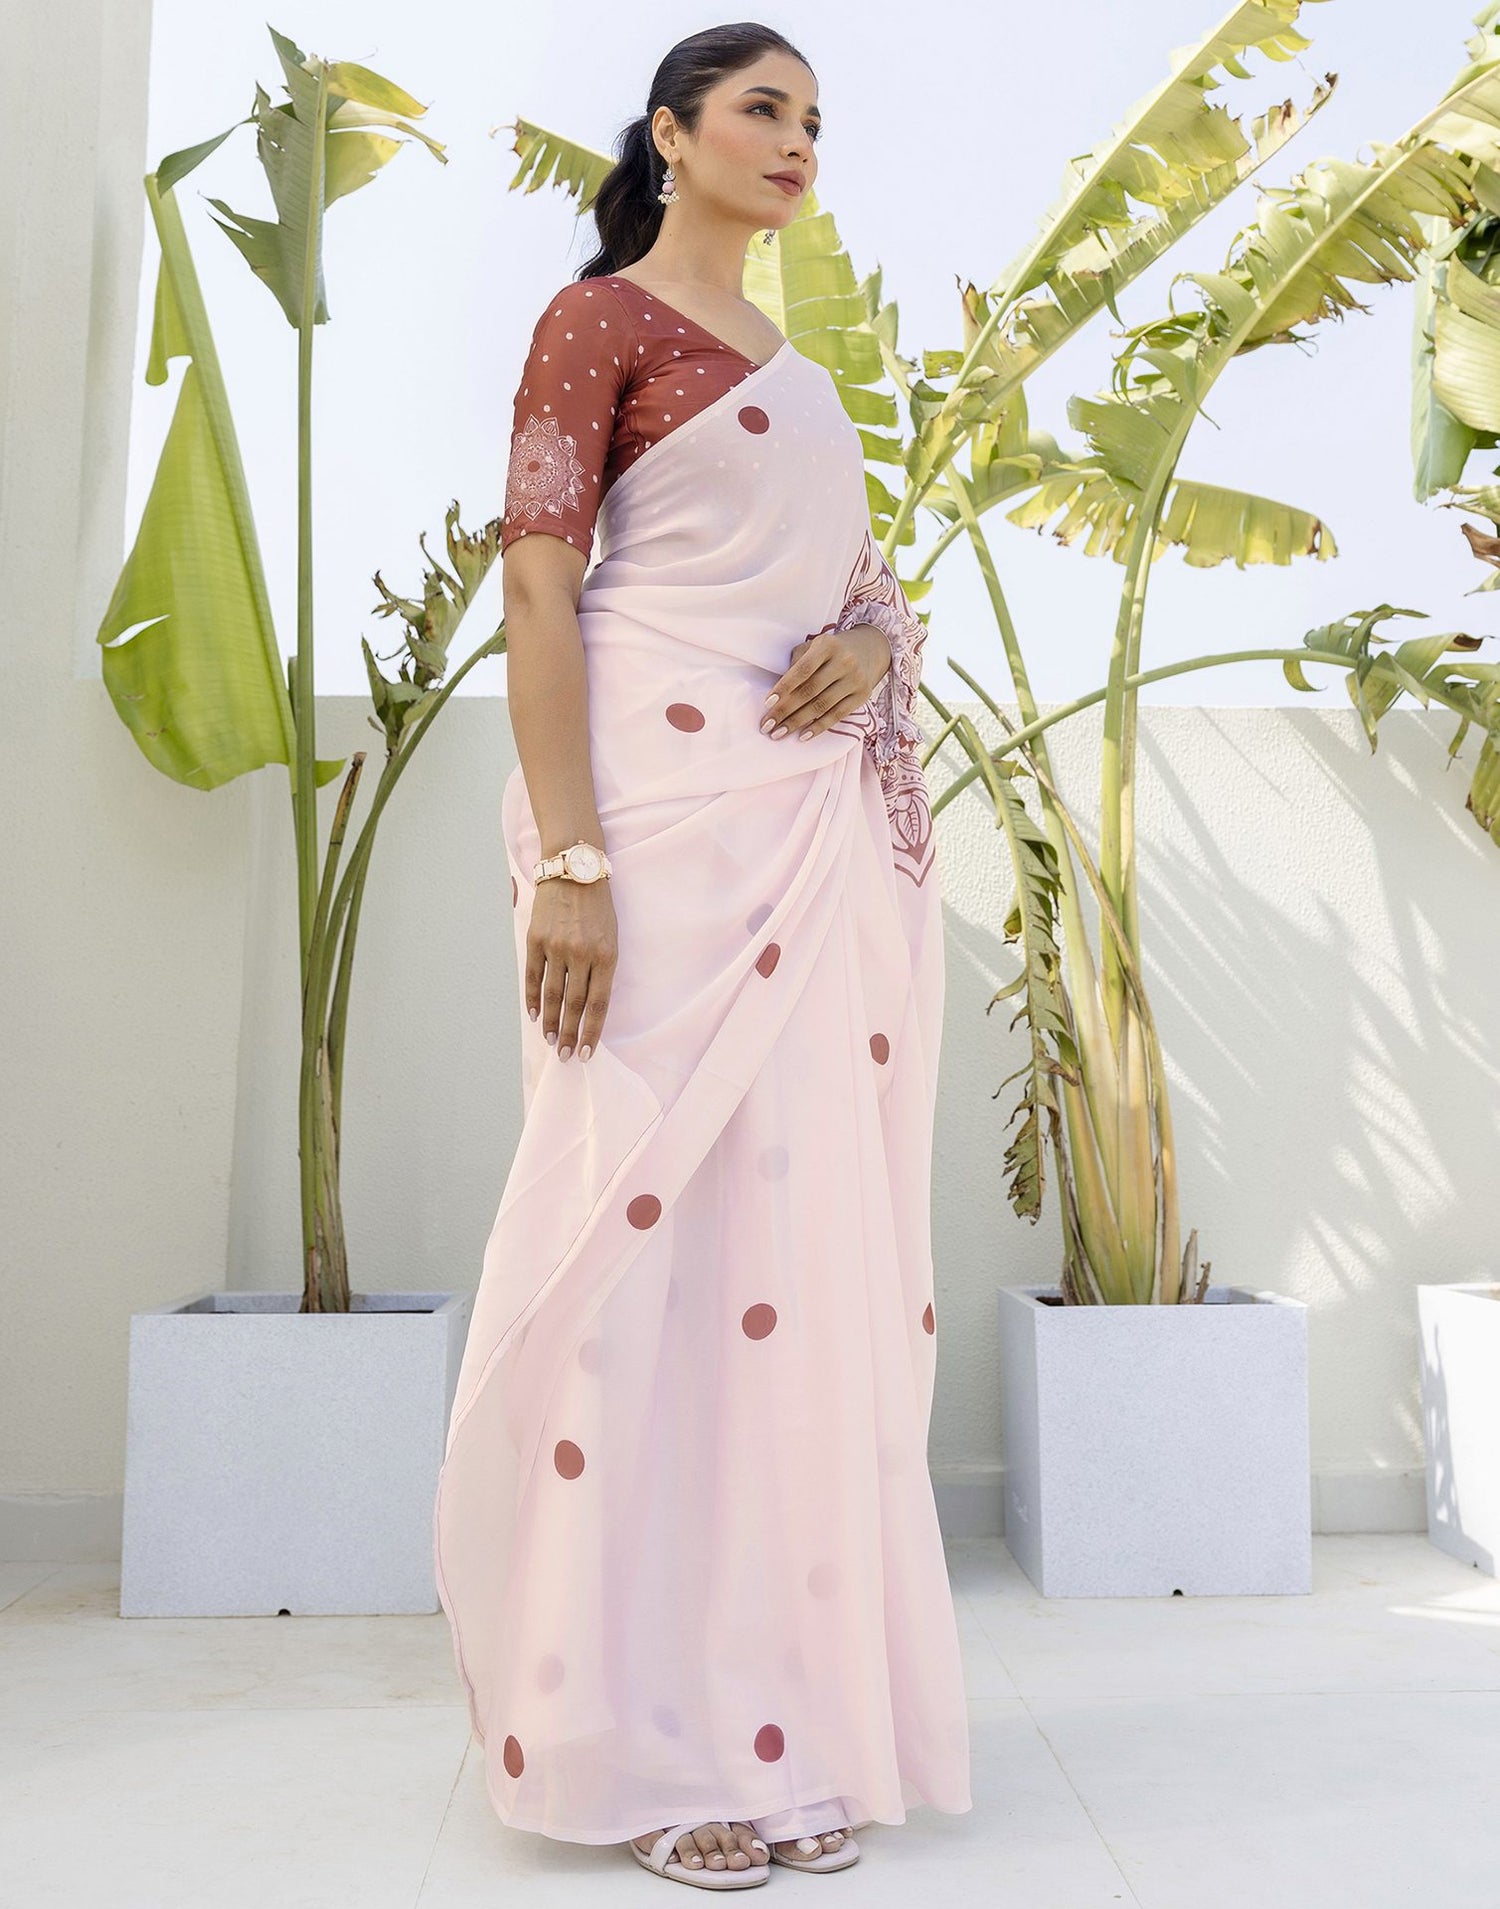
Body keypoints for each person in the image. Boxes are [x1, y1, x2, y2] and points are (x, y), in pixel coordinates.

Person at [432, 21, 972, 1891]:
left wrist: (873, 646)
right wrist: (574, 856)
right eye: (762, 109)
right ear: (670, 134)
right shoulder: (599, 325)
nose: (798, 139)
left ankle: (779, 1719)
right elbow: (538, 586)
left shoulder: (796, 374)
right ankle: (630, 1736)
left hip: (803, 841)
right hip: (652, 839)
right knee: (630, 1257)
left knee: (788, 1270)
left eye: (816, 118)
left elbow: (853, 594)